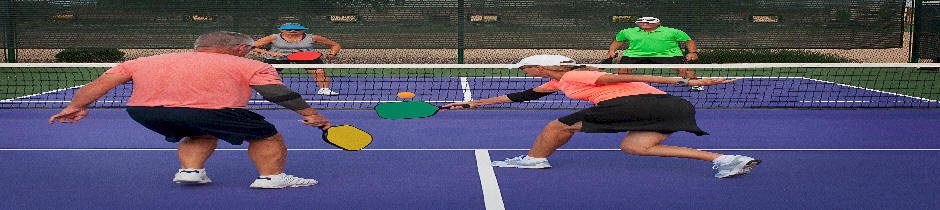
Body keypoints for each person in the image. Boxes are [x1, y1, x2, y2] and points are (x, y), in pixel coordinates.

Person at [48, 31, 330, 189]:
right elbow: (276, 92)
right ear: (242, 49)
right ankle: (272, 178)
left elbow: (101, 83)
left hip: (145, 113)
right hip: (212, 111)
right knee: (266, 134)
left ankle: (191, 171)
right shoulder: (252, 64)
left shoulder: (146, 60)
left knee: (197, 132)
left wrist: (75, 106)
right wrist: (309, 113)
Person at [443, 54, 760, 178]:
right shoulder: (560, 81)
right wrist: (471, 104)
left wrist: (687, 80)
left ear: (539, 67)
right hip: (670, 106)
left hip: (634, 103)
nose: (525, 73)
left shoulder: (580, 75)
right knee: (636, 147)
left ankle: (534, 159)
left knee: (558, 126)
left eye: (526, 68)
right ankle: (725, 159)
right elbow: (520, 96)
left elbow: (616, 81)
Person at [605, 17, 705, 91]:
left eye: (649, 22)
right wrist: (611, 51)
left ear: (658, 23)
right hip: (636, 54)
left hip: (668, 54)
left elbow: (688, 41)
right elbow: (618, 41)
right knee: (623, 70)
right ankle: (623, 87)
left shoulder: (672, 32)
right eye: (642, 22)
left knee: (683, 70)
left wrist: (692, 52)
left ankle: (696, 84)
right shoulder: (627, 32)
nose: (645, 24)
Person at [253, 24, 342, 96]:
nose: (292, 31)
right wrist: (270, 53)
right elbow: (253, 46)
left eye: (296, 29)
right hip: (279, 56)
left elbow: (335, 45)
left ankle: (324, 89)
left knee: (320, 72)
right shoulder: (273, 37)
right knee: (269, 74)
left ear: (302, 30)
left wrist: (332, 54)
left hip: (305, 56)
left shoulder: (312, 37)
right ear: (281, 30)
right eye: (288, 30)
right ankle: (264, 90)